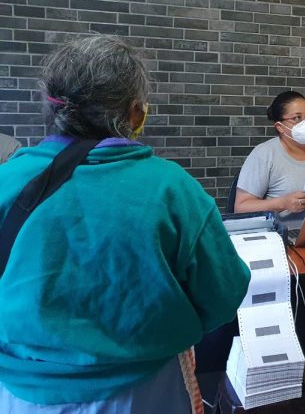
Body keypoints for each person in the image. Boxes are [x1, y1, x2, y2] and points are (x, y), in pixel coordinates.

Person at [0, 35, 250, 413]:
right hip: (145, 393)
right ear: (135, 113)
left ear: (52, 106)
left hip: (22, 395)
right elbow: (223, 295)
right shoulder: (172, 188)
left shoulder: (8, 181)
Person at [235, 90, 305, 216]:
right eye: (297, 118)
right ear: (280, 127)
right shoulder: (264, 154)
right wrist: (283, 203)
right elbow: (241, 207)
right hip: (282, 228)